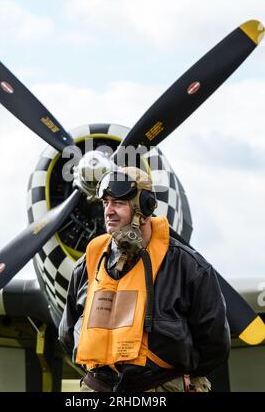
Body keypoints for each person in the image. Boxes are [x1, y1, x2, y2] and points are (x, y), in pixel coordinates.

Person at [59, 167, 230, 392]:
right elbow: (67, 334)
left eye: (118, 203)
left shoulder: (189, 267)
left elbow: (215, 345)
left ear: (146, 207)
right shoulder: (86, 265)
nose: (108, 211)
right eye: (105, 203)